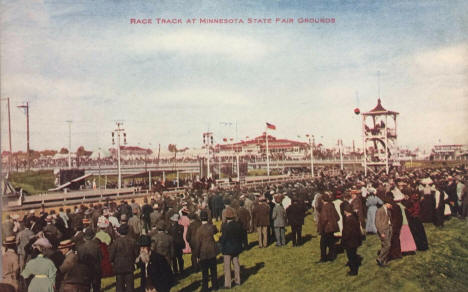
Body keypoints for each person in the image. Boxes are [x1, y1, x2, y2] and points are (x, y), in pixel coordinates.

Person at [194, 210, 219, 292]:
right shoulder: (211, 227)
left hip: (203, 253)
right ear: (207, 218)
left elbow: (197, 244)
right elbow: (216, 230)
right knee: (213, 271)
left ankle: (205, 288)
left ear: (200, 219)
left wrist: (197, 255)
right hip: (212, 251)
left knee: (205, 273)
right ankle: (215, 286)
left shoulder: (199, 230)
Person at [109, 224, 139, 292]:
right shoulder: (133, 241)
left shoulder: (116, 242)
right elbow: (136, 254)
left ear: (119, 232)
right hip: (129, 266)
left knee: (119, 286)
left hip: (119, 267)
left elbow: (111, 256)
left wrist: (112, 262)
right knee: (130, 286)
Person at [220, 208, 244, 289]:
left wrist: (220, 240)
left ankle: (228, 284)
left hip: (227, 249)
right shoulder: (238, 225)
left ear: (226, 217)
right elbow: (241, 237)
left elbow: (223, 239)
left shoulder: (225, 227)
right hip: (236, 248)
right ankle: (238, 280)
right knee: (236, 264)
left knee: (227, 267)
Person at [317, 193, 339, 262]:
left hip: (326, 228)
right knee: (331, 243)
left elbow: (324, 219)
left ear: (322, 200)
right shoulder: (331, 206)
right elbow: (337, 217)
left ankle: (323, 258)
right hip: (332, 228)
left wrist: (320, 227)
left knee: (323, 244)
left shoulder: (324, 207)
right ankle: (331, 256)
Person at [341, 204, 362, 276]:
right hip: (354, 240)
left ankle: (353, 271)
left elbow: (347, 232)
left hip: (350, 241)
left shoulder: (349, 220)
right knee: (353, 255)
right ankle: (354, 269)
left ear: (346, 211)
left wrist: (343, 239)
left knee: (351, 256)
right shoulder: (353, 217)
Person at [375, 196, 393, 266]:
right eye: (390, 204)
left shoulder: (388, 210)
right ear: (386, 203)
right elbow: (377, 223)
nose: (391, 206)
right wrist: (381, 232)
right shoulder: (379, 210)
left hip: (389, 228)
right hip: (383, 230)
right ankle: (380, 258)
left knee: (385, 245)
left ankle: (383, 260)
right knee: (387, 245)